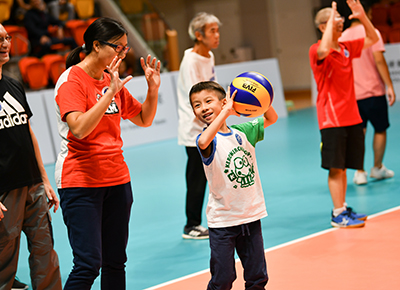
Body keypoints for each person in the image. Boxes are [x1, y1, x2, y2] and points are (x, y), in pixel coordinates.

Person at [54, 17, 161, 289]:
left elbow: (144, 118)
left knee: (115, 261)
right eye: (118, 47)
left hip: (117, 179)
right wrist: (108, 92)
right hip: (80, 182)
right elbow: (79, 128)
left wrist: (153, 89)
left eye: (126, 48)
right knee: (88, 264)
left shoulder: (109, 79)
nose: (123, 53)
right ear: (96, 45)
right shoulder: (72, 80)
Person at [189, 81, 278, 289]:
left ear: (224, 102)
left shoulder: (243, 132)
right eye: (197, 105)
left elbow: (271, 117)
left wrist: (262, 97)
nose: (203, 108)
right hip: (223, 222)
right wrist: (226, 112)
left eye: (208, 101)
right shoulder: (207, 139)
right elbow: (203, 143)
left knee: (257, 276)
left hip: (250, 216)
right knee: (223, 279)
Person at [0, 23, 62, 290]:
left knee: (45, 254)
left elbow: (28, 132)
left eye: (6, 37)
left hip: (33, 184)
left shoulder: (13, 85)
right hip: (4, 192)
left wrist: (44, 179)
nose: (4, 43)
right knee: (3, 263)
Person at [309, 0, 379, 228]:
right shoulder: (318, 50)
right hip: (332, 118)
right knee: (335, 167)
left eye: (339, 21)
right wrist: (331, 19)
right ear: (323, 26)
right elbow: (322, 50)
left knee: (345, 165)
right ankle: (337, 214)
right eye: (334, 22)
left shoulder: (346, 47)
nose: (340, 24)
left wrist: (361, 16)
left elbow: (373, 39)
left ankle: (342, 206)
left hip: (352, 116)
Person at [339, 2, 396, 185]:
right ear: (367, 12)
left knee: (358, 132)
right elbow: (379, 61)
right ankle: (377, 168)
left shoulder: (342, 37)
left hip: (353, 95)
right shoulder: (373, 33)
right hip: (374, 92)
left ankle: (360, 172)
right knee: (380, 129)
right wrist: (390, 85)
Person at [177, 12, 221, 239]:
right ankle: (191, 225)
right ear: (198, 35)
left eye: (217, 30)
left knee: (214, 175)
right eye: (212, 31)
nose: (217, 35)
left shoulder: (209, 56)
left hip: (210, 127)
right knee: (196, 179)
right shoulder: (191, 61)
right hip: (195, 131)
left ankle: (217, 218)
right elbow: (194, 99)